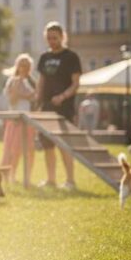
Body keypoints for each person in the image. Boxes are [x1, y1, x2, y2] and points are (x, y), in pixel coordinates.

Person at [35, 21, 82, 189]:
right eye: (48, 38)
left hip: (64, 108)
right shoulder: (44, 57)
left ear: (62, 37)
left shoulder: (71, 57)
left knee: (65, 145)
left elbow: (76, 84)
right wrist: (37, 100)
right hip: (46, 107)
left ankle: (70, 181)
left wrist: (62, 96)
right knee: (47, 145)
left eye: (54, 38)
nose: (51, 41)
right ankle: (51, 180)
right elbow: (41, 81)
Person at [0, 54, 37, 185]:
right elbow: (12, 99)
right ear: (17, 66)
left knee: (30, 150)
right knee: (13, 150)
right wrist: (22, 91)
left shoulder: (32, 81)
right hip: (15, 119)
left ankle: (27, 177)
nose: (24, 68)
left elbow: (36, 98)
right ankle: (11, 176)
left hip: (29, 120)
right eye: (21, 65)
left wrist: (28, 95)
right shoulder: (12, 80)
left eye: (27, 65)